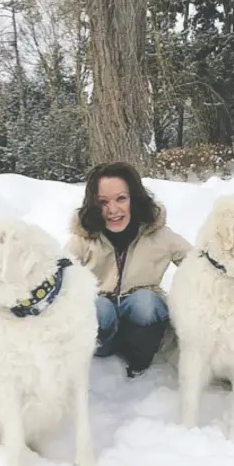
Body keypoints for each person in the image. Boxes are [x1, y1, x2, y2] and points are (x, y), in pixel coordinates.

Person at [66, 162, 192, 378]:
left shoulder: (160, 235)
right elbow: (56, 275)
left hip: (143, 325)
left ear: (134, 198)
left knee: (146, 302)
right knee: (99, 306)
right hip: (102, 330)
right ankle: (103, 356)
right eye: (103, 202)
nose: (113, 210)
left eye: (121, 199)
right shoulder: (83, 239)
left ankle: (138, 361)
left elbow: (200, 264)